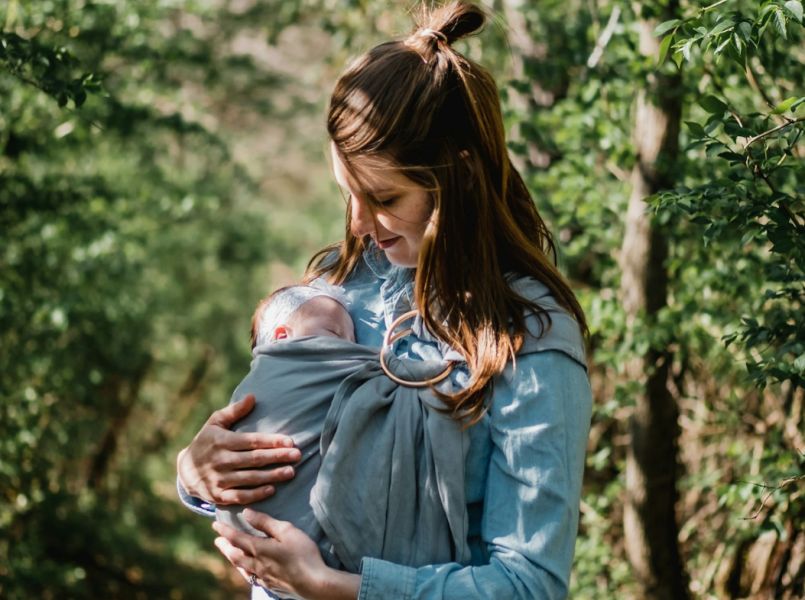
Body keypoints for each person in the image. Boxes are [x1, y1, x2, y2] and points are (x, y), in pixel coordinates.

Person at [176, 2, 593, 599]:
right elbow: (268, 458)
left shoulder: (528, 337)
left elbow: (528, 585)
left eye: (384, 197)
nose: (359, 221)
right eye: (348, 191)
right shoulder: (337, 291)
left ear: (461, 177)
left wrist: (333, 586)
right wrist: (195, 474)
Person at [218, 283, 472, 578]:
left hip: (298, 563)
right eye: (334, 335)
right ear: (282, 337)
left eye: (353, 339)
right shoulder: (269, 378)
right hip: (272, 546)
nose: (352, 349)